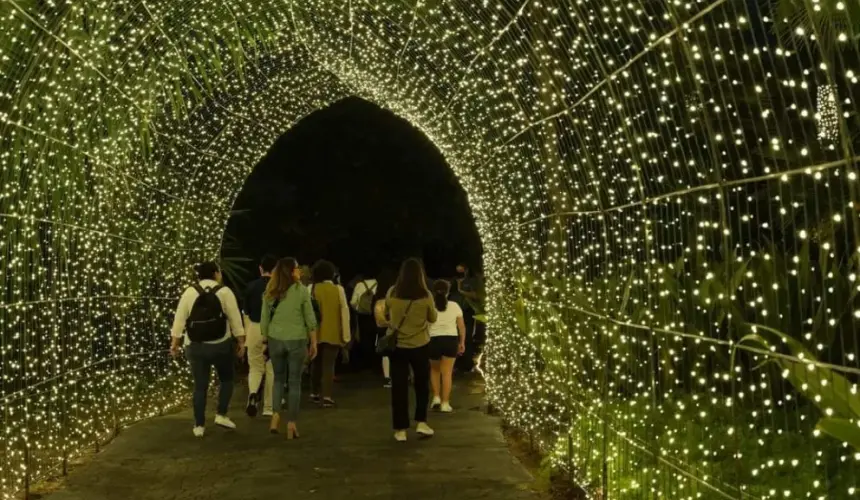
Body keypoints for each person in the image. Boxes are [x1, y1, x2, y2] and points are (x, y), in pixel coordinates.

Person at [170, 261, 246, 438]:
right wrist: (241, 342)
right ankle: (221, 414)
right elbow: (235, 319)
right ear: (216, 273)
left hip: (195, 346)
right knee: (227, 379)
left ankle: (199, 425)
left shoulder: (189, 292)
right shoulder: (225, 292)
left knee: (200, 386)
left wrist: (175, 343)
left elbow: (179, 319)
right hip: (221, 345)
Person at [261, 257, 319, 438]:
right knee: (294, 382)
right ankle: (292, 424)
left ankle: (275, 416)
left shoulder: (271, 290)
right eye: (297, 269)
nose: (299, 271)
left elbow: (264, 319)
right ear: (291, 271)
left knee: (278, 379)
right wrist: (314, 341)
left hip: (275, 339)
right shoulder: (300, 290)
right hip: (297, 339)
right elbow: (310, 318)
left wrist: (265, 340)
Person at [384, 258, 437, 442]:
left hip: (398, 346)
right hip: (420, 345)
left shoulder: (392, 292)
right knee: (422, 385)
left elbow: (387, 313)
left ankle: (400, 429)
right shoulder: (426, 295)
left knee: (398, 387)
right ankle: (421, 421)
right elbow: (433, 317)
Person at [309, 260, 350, 407]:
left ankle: (314, 392)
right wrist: (346, 335)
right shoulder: (338, 290)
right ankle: (327, 396)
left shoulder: (311, 288)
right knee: (329, 365)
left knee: (315, 363)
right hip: (333, 332)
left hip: (315, 332)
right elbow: (344, 312)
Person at [242, 254, 277, 418]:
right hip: (274, 329)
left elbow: (246, 312)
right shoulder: (279, 287)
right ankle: (268, 407)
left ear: (260, 269)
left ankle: (253, 394)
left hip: (254, 328)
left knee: (255, 367)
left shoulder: (250, 287)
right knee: (271, 369)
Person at [428, 280, 466, 412]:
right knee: (447, 373)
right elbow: (461, 326)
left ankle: (436, 397)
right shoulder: (454, 306)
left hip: (432, 340)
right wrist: (462, 343)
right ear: (448, 291)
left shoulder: (430, 305)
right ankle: (445, 403)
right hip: (450, 340)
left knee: (434, 370)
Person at [456, 263, 487, 372]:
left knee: (467, 336)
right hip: (459, 310)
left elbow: (476, 295)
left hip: (468, 311)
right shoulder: (460, 279)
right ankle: (461, 362)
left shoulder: (473, 281)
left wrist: (461, 290)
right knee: (460, 336)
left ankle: (466, 363)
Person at [373, 267, 398, 387]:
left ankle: (387, 377)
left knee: (385, 353)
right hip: (396, 329)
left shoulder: (378, 301)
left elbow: (379, 319)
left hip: (382, 329)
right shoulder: (396, 298)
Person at [350, 274, 378, 370]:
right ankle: (374, 362)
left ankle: (365, 363)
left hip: (363, 316)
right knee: (374, 337)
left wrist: (358, 308)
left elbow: (353, 302)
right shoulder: (377, 284)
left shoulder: (359, 285)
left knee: (364, 338)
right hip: (375, 315)